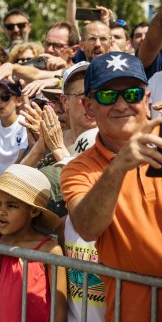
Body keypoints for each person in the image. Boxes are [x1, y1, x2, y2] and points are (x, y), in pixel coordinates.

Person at [60, 51, 162, 321]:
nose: (121, 105)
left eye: (132, 94)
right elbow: (87, 227)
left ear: (147, 99)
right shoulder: (77, 168)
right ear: (89, 106)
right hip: (131, 310)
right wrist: (118, 167)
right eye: (107, 95)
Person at [0, 164, 66, 322]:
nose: (1, 211)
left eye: (11, 205)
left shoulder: (50, 251)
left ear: (33, 211)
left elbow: (59, 312)